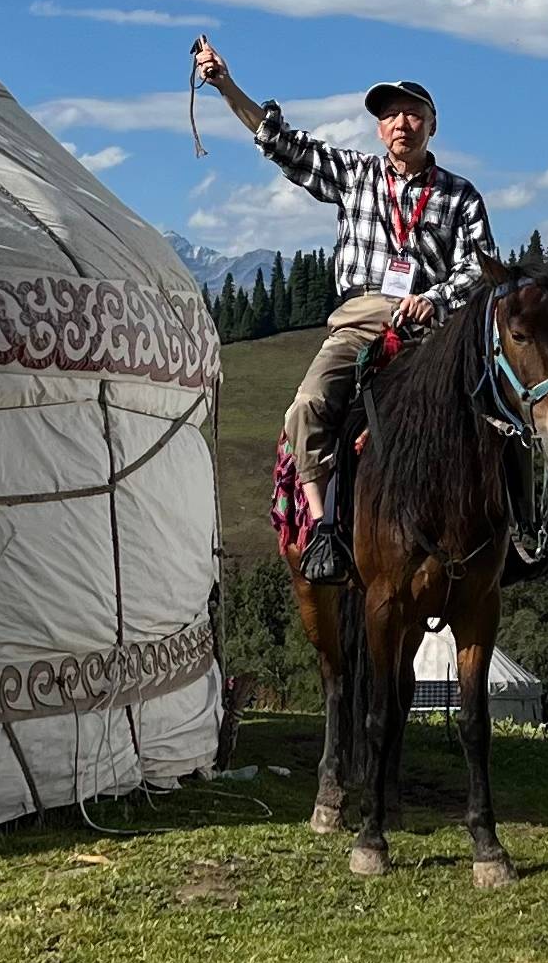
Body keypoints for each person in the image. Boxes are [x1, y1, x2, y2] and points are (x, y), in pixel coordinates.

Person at [190, 41, 497, 583]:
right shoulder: (355, 177)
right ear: (379, 129)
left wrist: (436, 299)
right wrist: (224, 84)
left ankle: (512, 533)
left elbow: (479, 267)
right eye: (390, 114)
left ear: (432, 124)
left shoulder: (460, 194)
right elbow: (279, 142)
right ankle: (324, 530)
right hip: (358, 321)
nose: (401, 122)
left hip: (432, 329)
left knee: (499, 412)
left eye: (412, 113)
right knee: (306, 406)